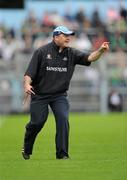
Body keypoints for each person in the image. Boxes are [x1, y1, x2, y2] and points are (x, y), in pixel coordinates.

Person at [22, 26, 109, 160]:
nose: (68, 37)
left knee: (63, 119)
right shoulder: (41, 52)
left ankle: (62, 154)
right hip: (40, 95)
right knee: (37, 122)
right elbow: (29, 73)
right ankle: (27, 148)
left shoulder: (72, 53)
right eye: (65, 35)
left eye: (70, 35)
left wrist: (101, 50)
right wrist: (27, 84)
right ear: (55, 37)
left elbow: (90, 57)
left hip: (59, 95)